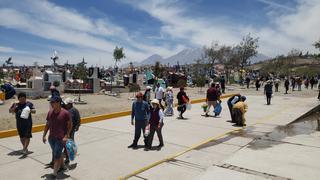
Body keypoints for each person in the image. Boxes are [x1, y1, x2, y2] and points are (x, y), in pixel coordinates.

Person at [43, 96, 72, 178]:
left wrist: (66, 135)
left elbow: (70, 125)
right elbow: (47, 124)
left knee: (56, 155)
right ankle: (63, 166)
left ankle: (54, 173)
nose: (51, 104)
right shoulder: (50, 112)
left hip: (60, 138)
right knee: (58, 154)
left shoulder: (65, 113)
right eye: (51, 102)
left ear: (59, 102)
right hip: (51, 138)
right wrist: (44, 135)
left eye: (53, 102)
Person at [63, 98, 81, 165]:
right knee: (67, 142)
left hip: (71, 129)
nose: (65, 105)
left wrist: (77, 126)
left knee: (69, 143)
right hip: (65, 129)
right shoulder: (66, 109)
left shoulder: (74, 110)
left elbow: (78, 119)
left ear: (70, 104)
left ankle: (70, 154)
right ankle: (67, 153)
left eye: (66, 104)